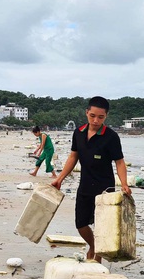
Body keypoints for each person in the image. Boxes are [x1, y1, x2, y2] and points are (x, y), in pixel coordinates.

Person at [52, 96, 131, 261]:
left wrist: (124, 184)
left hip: (105, 189)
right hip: (85, 186)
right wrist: (60, 178)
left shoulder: (111, 137)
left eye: (100, 117)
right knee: (80, 223)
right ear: (87, 113)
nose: (96, 120)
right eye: (92, 116)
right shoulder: (78, 133)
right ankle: (93, 246)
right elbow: (73, 157)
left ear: (106, 116)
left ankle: (97, 259)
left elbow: (120, 162)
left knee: (101, 226)